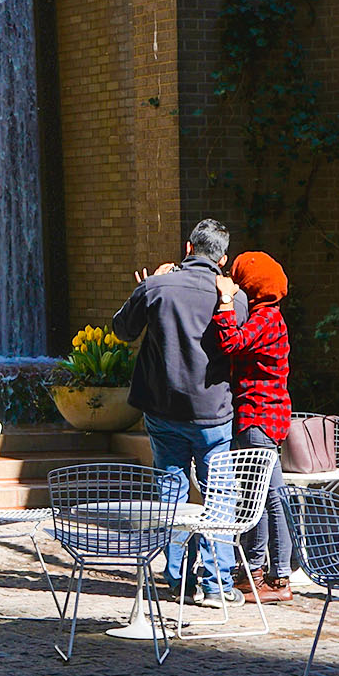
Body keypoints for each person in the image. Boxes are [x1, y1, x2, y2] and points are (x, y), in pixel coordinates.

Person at [113, 218, 249, 606]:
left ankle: (179, 580)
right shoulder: (234, 298)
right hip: (213, 413)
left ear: (188, 249)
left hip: (163, 408)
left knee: (169, 494)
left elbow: (122, 330)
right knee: (219, 497)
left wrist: (143, 287)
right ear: (222, 259)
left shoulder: (157, 287)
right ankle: (217, 584)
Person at [214, 251, 294, 602]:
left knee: (263, 498)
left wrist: (226, 302)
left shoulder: (264, 319)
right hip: (267, 417)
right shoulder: (272, 317)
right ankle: (263, 573)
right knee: (266, 496)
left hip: (256, 416)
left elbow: (231, 342)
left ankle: (271, 577)